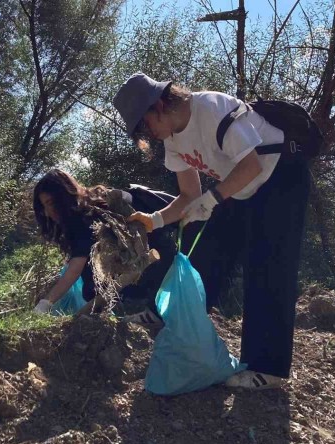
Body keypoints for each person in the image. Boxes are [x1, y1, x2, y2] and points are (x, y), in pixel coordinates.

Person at [112, 72, 312, 390]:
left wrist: (214, 198)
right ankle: (166, 314)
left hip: (282, 176)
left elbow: (252, 166)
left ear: (160, 105)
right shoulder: (173, 142)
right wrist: (155, 220)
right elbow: (189, 196)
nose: (148, 134)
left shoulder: (213, 110)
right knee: (206, 248)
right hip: (240, 187)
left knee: (268, 265)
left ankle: (268, 368)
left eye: (145, 125)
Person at [32, 168, 177, 321]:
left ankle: (137, 311)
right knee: (89, 283)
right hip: (154, 266)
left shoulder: (86, 217)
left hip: (147, 270)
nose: (47, 212)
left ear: (63, 196)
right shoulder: (92, 203)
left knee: (90, 286)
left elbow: (74, 269)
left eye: (50, 203)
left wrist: (46, 303)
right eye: (44, 207)